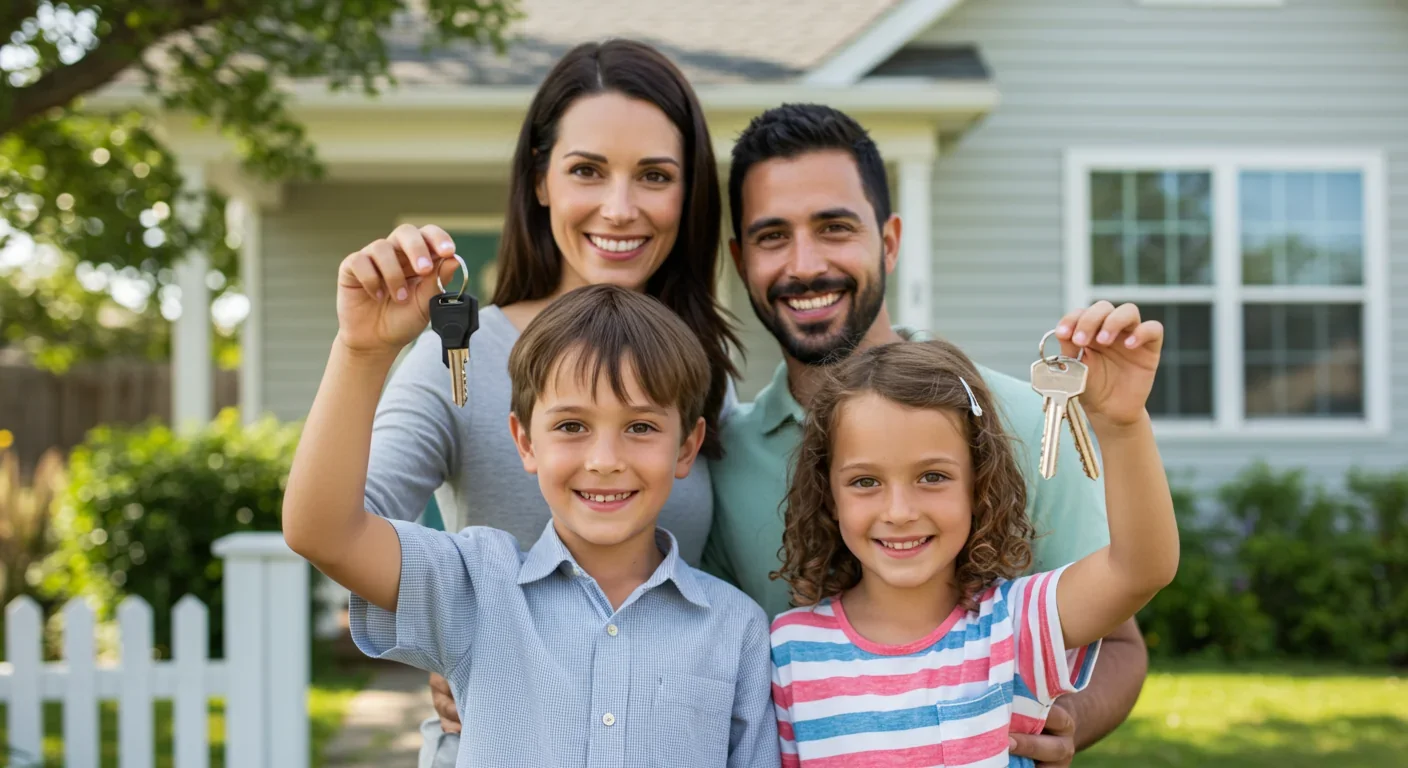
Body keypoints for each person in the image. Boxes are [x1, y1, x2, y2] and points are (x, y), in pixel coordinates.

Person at [702, 103, 1150, 762]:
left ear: (888, 240)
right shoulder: (724, 457)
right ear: (741, 260)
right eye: (772, 237)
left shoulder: (1022, 421)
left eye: (834, 227)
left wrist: (1067, 720)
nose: (804, 264)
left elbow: (1118, 642)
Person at [337, 40, 741, 759]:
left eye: (654, 175)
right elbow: (343, 524)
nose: (620, 209)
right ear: (542, 180)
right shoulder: (461, 352)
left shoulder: (701, 365)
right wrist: (458, 644)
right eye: (588, 171)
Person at [283, 284, 778, 767]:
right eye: (571, 426)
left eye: (640, 427)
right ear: (525, 441)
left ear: (687, 447)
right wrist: (361, 350)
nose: (605, 460)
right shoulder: (476, 585)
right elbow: (323, 532)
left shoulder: (738, 629)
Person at [768, 319, 1178, 767]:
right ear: (829, 497)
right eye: (865, 481)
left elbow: (1141, 569)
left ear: (977, 486)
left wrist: (1123, 425)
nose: (900, 511)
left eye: (932, 477)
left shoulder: (1015, 625)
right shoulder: (790, 649)